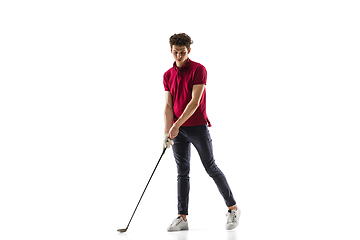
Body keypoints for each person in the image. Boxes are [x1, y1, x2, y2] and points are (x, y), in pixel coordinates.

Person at [163, 33, 240, 231]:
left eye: (182, 52)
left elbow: (195, 102)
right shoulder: (167, 75)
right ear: (170, 50)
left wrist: (176, 125)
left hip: (197, 127)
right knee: (182, 173)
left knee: (210, 167)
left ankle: (232, 208)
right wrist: (167, 132)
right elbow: (168, 107)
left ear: (189, 50)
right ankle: (182, 218)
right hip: (177, 130)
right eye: (175, 52)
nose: (178, 56)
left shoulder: (199, 69)